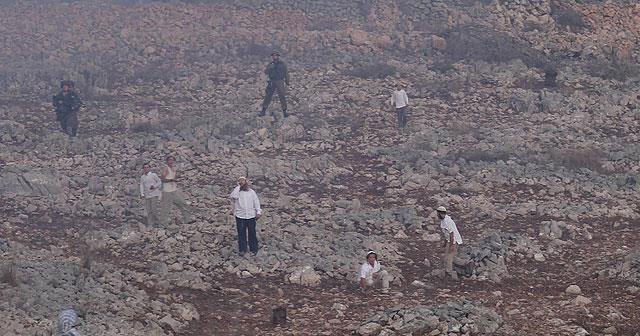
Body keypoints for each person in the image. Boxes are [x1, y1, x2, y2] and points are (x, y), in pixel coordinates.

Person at [229, 176, 262, 255]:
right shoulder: (237, 192)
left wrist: (258, 212)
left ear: (246, 182)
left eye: (243, 181)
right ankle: (242, 249)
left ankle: (253, 249)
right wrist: (238, 186)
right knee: (241, 233)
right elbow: (233, 197)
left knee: (252, 233)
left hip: (250, 215)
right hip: (240, 216)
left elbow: (256, 202)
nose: (242, 182)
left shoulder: (251, 192)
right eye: (240, 181)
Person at [159, 155, 193, 225]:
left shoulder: (173, 169)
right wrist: (172, 180)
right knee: (165, 208)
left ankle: (188, 219)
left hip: (174, 190)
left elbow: (173, 178)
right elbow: (162, 179)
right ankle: (163, 224)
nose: (171, 161)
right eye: (170, 160)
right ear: (167, 161)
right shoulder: (166, 169)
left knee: (182, 203)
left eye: (172, 160)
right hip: (167, 192)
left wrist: (178, 178)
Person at [259, 52, 290, 117]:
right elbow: (266, 72)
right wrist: (270, 68)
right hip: (272, 81)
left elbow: (286, 73)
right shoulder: (270, 64)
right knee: (268, 96)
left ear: (278, 56)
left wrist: (287, 82)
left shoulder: (282, 64)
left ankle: (285, 112)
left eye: (276, 55)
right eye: (273, 55)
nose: (274, 56)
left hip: (280, 81)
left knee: (282, 96)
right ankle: (263, 111)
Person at [437, 206, 463, 280]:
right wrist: (445, 243)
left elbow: (451, 233)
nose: (437, 215)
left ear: (440, 213)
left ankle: (449, 273)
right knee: (447, 256)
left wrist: (452, 245)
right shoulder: (443, 220)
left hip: (454, 240)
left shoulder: (447, 221)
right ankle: (464, 264)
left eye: (438, 213)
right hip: (450, 240)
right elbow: (446, 233)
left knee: (449, 257)